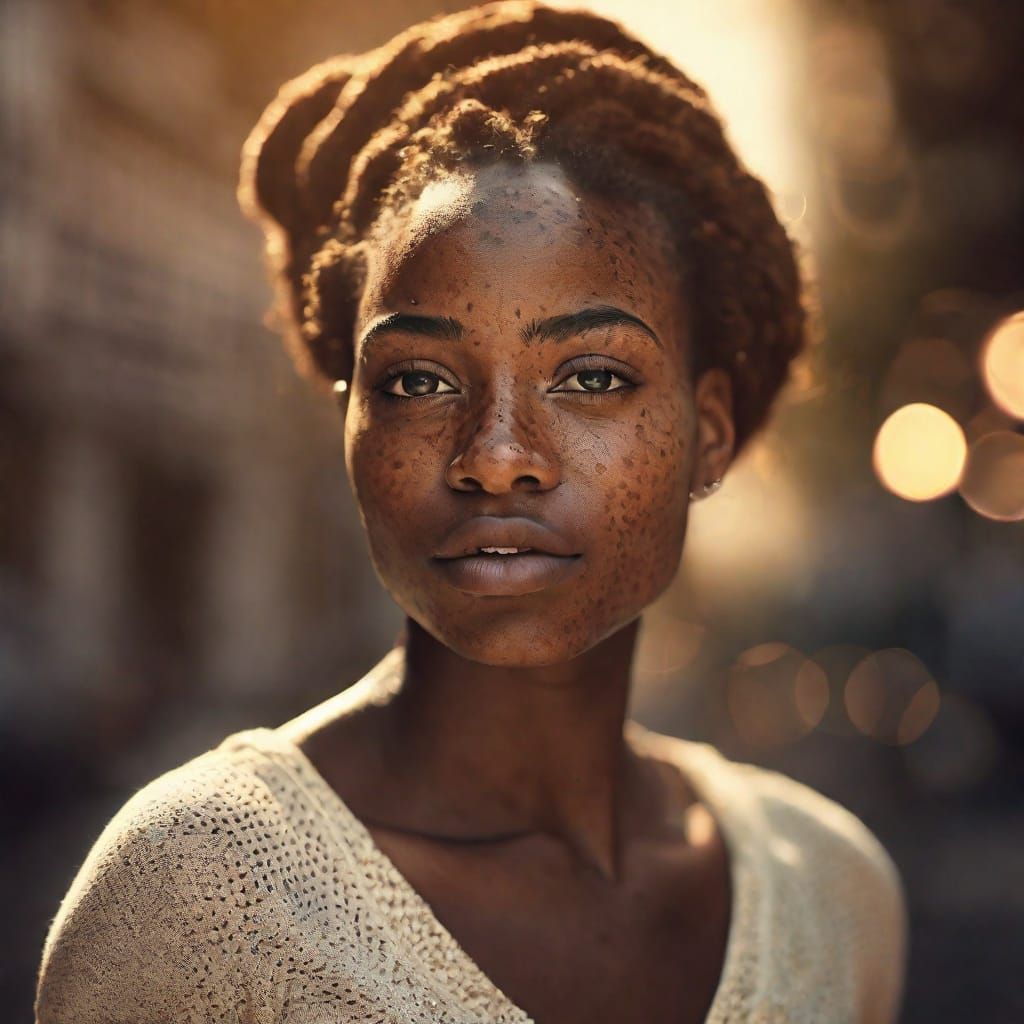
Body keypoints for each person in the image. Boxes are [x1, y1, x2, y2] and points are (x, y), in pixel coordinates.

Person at [34, 2, 908, 1021]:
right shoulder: (192, 894)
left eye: (590, 376)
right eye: (416, 382)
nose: (495, 456)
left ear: (706, 434)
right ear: (351, 424)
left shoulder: (834, 893)